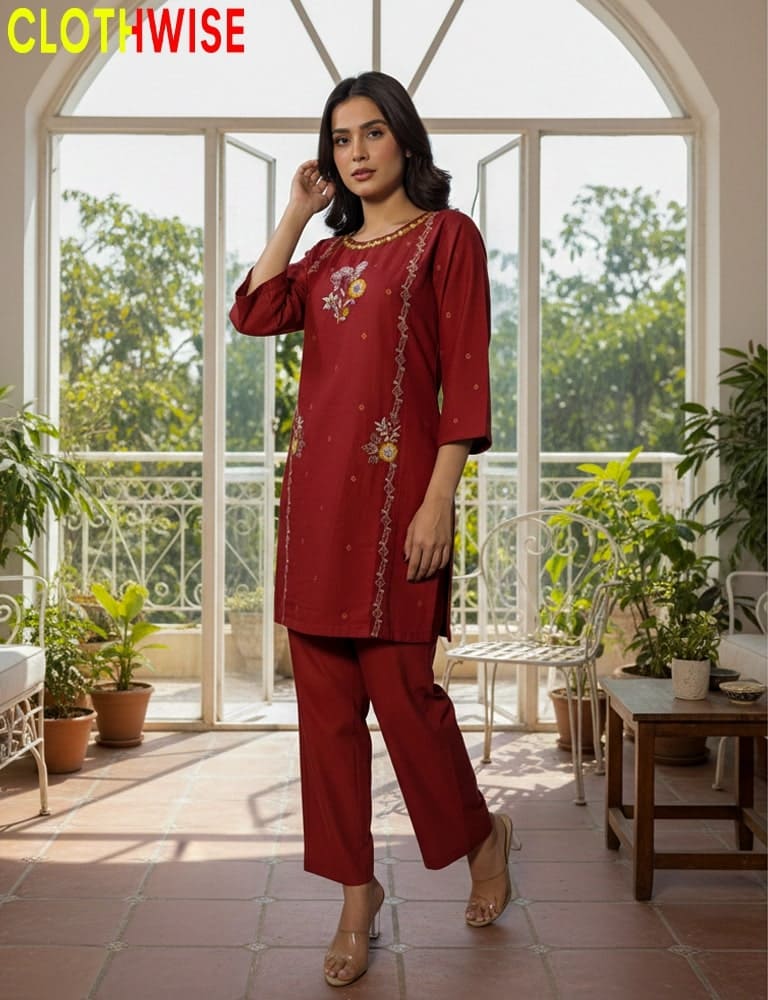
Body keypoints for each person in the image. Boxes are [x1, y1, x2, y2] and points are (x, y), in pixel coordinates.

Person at [230, 71, 520, 989]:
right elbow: (253, 312)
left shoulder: (447, 239)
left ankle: (481, 834)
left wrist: (440, 499)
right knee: (325, 723)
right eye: (341, 139)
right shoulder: (324, 262)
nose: (355, 153)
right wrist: (295, 211)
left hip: (400, 511)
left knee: (409, 704)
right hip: (316, 511)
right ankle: (358, 898)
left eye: (371, 135)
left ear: (405, 141)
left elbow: (465, 379)